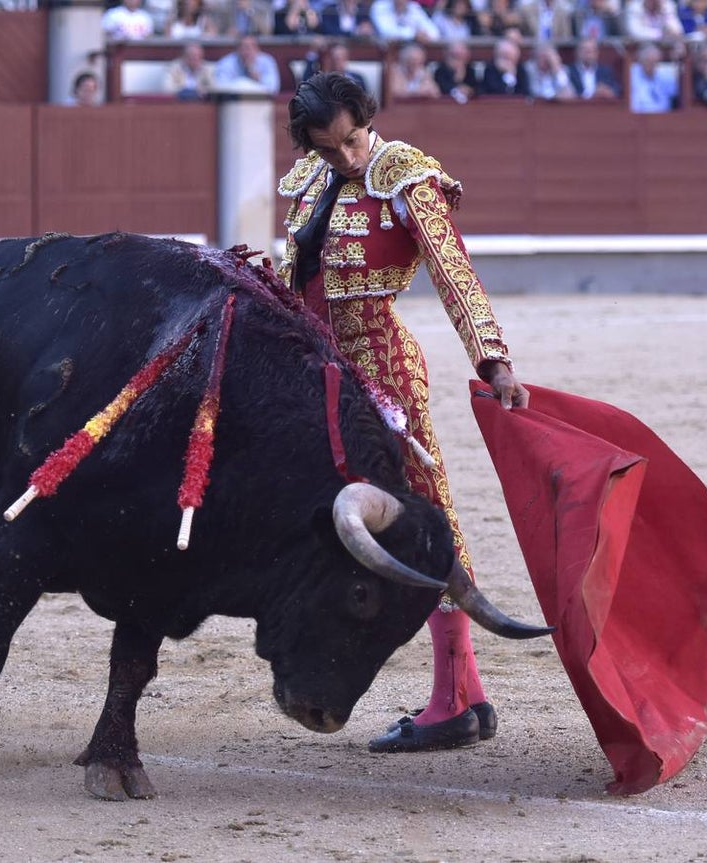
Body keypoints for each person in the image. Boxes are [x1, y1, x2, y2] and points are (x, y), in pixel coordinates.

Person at [276, 72, 529, 754]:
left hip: (383, 367)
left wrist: (493, 359)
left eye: (354, 138)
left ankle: (453, 698)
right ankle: (464, 696)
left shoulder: (404, 174)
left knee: (423, 517)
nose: (349, 157)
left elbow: (454, 273)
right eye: (331, 149)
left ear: (368, 121)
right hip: (320, 374)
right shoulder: (308, 181)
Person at [213, 34, 282, 93]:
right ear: (237, 49)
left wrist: (257, 78)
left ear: (257, 49)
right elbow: (220, 87)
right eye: (244, 47)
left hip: (260, 101)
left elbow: (273, 88)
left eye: (251, 47)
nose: (247, 51)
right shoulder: (226, 62)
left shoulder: (267, 61)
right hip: (234, 102)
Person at [566, 35, 622, 99]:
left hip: (600, 107)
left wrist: (608, 91)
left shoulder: (605, 71)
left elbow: (616, 90)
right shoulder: (568, 71)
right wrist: (592, 95)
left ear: (597, 53)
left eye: (591, 50)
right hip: (576, 108)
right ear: (577, 52)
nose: (588, 54)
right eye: (584, 50)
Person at [629, 41, 680, 111]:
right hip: (638, 118)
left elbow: (676, 92)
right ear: (640, 61)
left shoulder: (664, 75)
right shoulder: (632, 74)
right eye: (649, 61)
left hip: (664, 117)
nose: (652, 66)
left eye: (655, 62)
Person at [369, 0, 441, 43]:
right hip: (384, 52)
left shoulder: (414, 7)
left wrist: (425, 35)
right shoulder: (380, 6)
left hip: (412, 50)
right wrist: (414, 34)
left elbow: (434, 32)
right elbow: (387, 32)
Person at [433, 38, 480, 102]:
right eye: (455, 57)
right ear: (447, 56)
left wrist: (470, 90)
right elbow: (442, 89)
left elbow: (478, 89)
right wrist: (456, 88)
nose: (459, 61)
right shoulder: (441, 71)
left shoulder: (469, 69)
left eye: (462, 57)